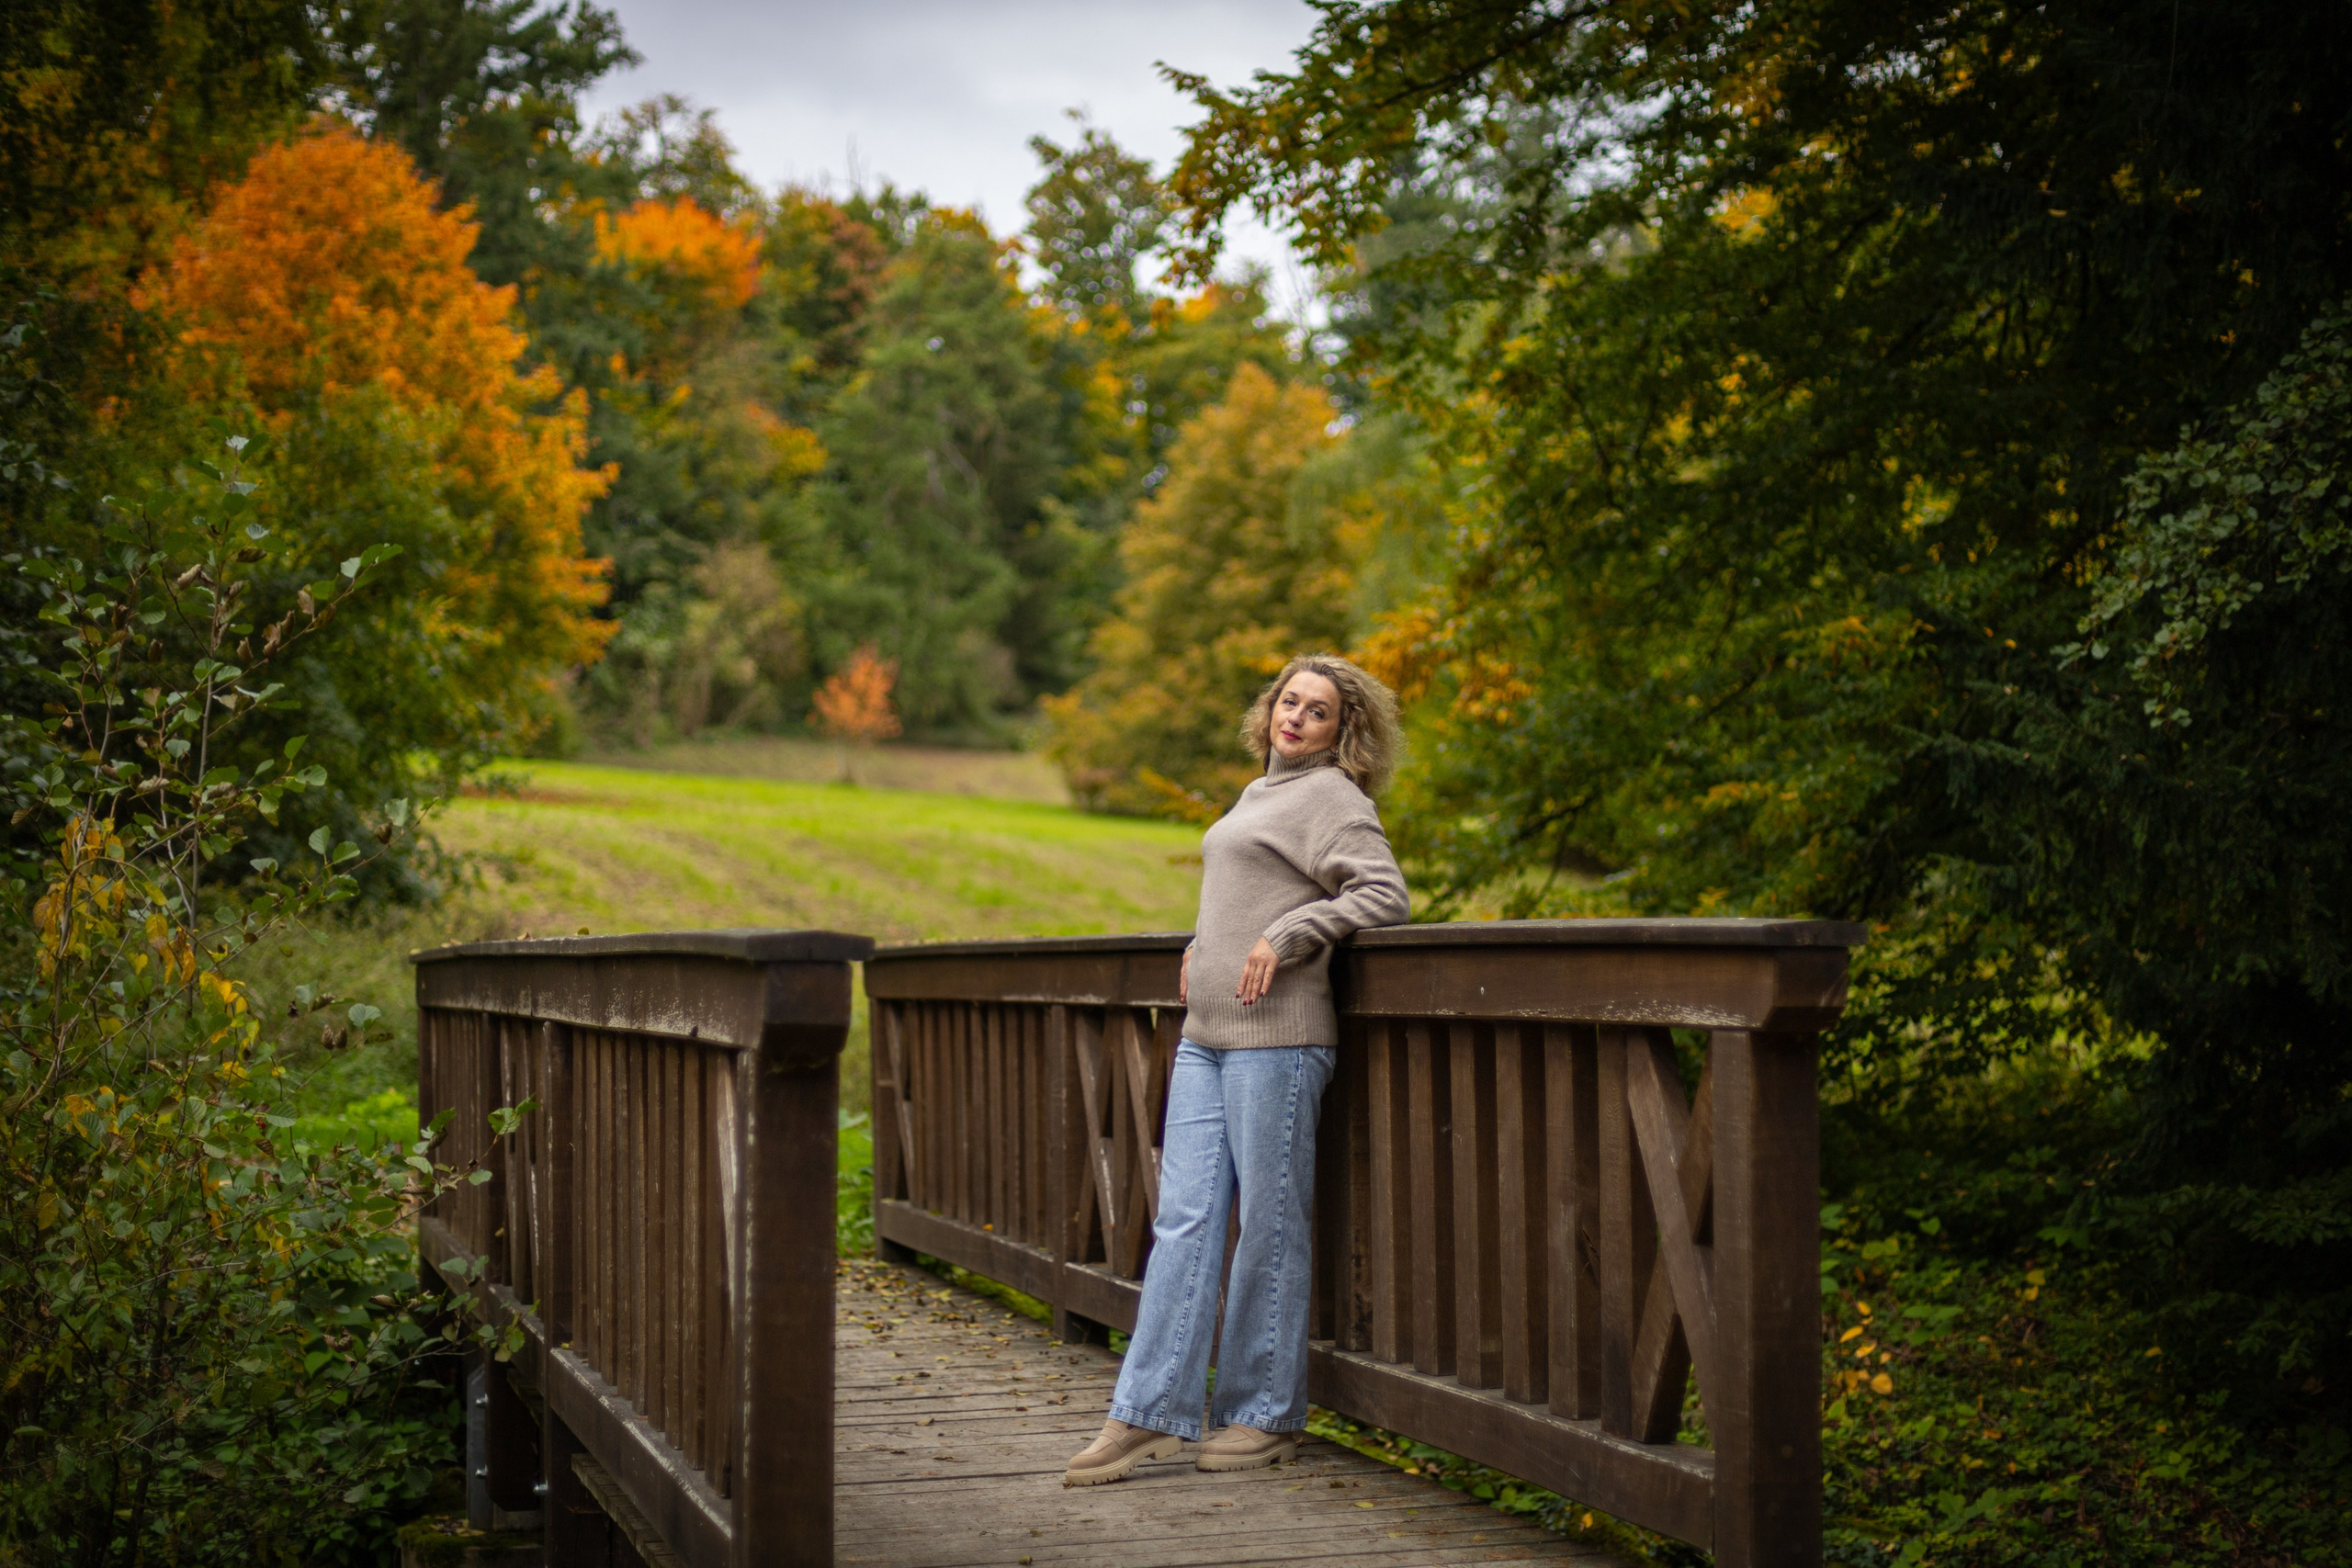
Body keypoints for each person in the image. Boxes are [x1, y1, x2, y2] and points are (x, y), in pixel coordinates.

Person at [1064, 654, 1410, 1486]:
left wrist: (1289, 935)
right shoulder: (1260, 793)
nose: (1295, 717)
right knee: (1183, 1218)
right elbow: (1242, 886)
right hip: (1205, 1035)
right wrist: (1206, 944)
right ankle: (1147, 1410)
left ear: (1343, 732)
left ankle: (1263, 1414)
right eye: (1288, 701)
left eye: (1317, 710)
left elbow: (1384, 894)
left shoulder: (1333, 797)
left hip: (1280, 1041)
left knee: (1269, 1225)